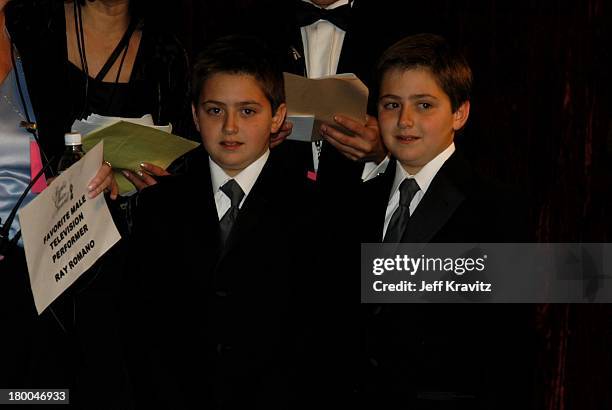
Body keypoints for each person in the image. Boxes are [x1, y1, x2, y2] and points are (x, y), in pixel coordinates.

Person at [122, 35, 320, 409]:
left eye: (247, 111)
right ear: (195, 116)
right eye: (215, 111)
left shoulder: (313, 210)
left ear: (277, 117)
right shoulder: (160, 205)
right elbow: (142, 326)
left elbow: (321, 334)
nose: (230, 127)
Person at [356, 33, 533, 408]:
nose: (405, 121)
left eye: (423, 105)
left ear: (460, 112)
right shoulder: (356, 202)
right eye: (391, 104)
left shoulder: (497, 207)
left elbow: (507, 347)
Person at [0, 0, 116, 391]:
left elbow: (62, 147)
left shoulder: (33, 37)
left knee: (37, 395)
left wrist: (90, 174)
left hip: (43, 268)